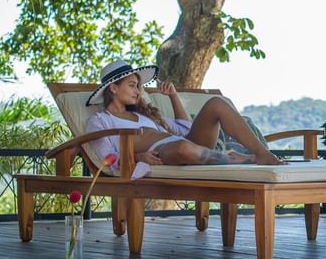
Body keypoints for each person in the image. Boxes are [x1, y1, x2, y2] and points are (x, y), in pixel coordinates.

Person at [85, 60, 284, 177]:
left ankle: (260, 153)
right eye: (132, 85)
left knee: (216, 103)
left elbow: (186, 129)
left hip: (186, 144)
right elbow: (107, 159)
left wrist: (173, 97)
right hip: (163, 153)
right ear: (113, 88)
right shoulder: (100, 120)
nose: (138, 91)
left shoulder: (142, 115)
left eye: (138, 86)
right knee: (183, 147)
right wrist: (136, 157)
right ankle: (240, 159)